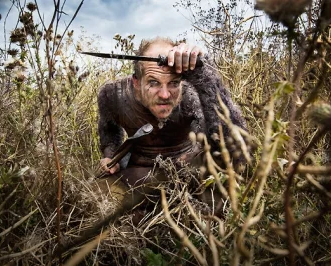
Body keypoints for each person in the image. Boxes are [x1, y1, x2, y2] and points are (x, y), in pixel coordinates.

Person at [95, 36, 247, 219]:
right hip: (139, 171)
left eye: (174, 83)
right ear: (136, 82)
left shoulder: (191, 95)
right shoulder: (113, 95)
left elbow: (234, 150)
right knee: (96, 200)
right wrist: (110, 157)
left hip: (187, 169)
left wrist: (204, 73)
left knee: (215, 210)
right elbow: (109, 131)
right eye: (153, 83)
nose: (165, 95)